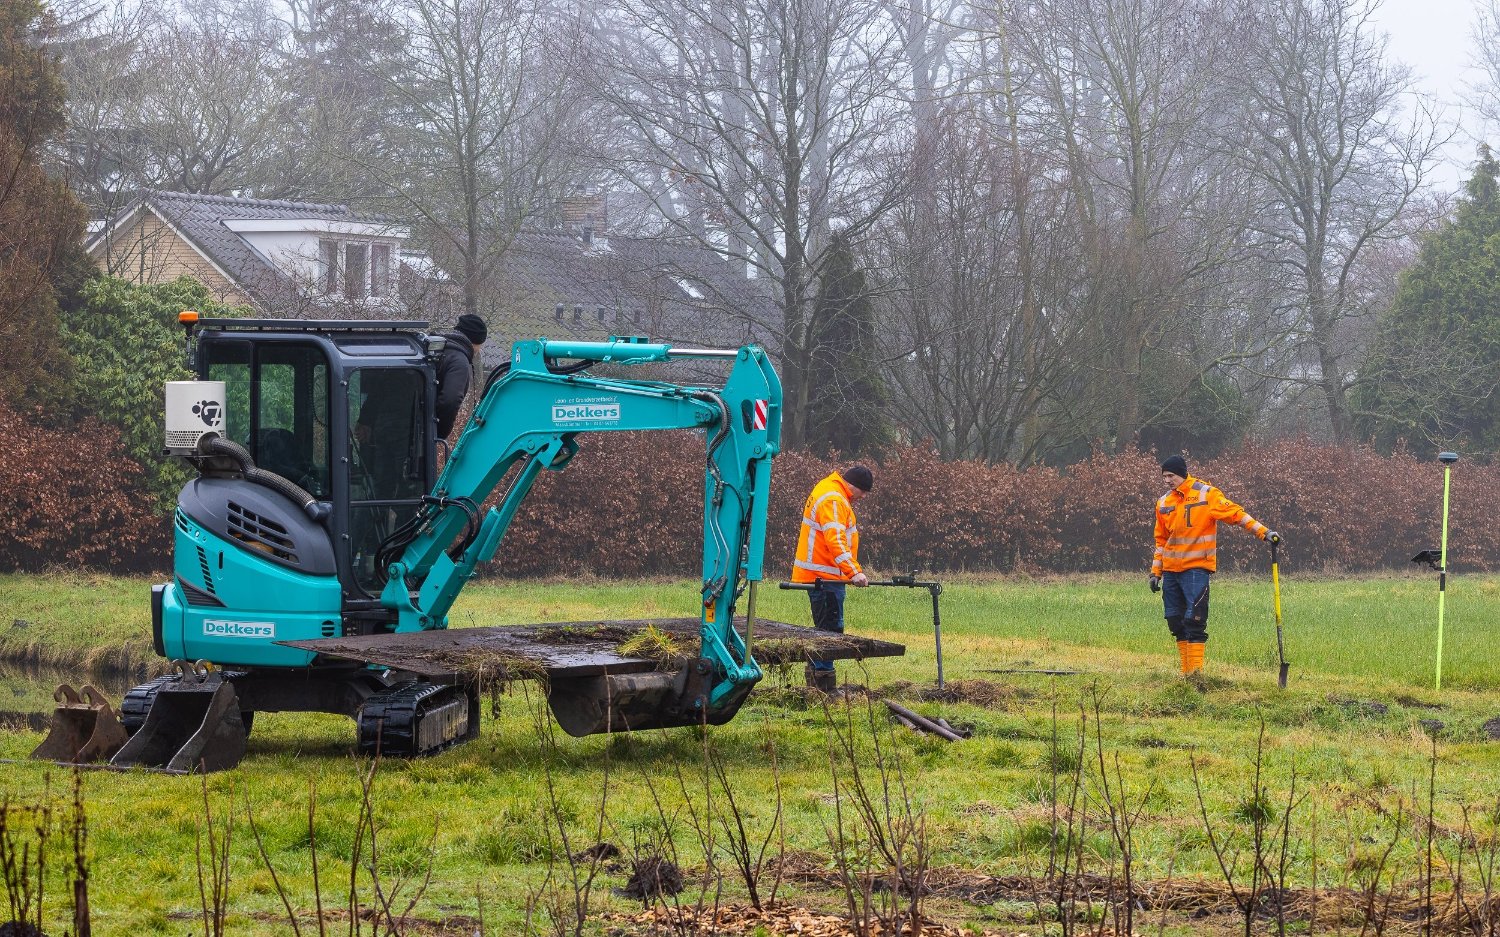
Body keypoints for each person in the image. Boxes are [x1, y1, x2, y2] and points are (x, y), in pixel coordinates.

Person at [1150, 454, 1279, 679]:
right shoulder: (1163, 502)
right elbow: (1161, 541)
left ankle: (1196, 674)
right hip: (1171, 570)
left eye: (1170, 476)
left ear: (1181, 473)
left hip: (1196, 568)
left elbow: (1236, 514)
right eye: (1164, 477)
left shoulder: (1206, 494)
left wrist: (1264, 532)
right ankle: (1185, 674)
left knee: (1195, 619)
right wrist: (1155, 572)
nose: (1167, 481)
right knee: (1174, 620)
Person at [790, 464, 873, 692]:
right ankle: (824, 688)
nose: (863, 497)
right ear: (853, 485)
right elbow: (835, 540)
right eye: (863, 491)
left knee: (823, 630)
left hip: (824, 576)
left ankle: (816, 683)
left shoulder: (828, 489)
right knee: (830, 632)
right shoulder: (834, 500)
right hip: (825, 578)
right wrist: (854, 572)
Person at [435, 313, 488, 438]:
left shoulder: (439, 350)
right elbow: (450, 400)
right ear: (476, 341)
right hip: (422, 435)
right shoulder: (459, 361)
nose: (479, 350)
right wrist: (440, 433)